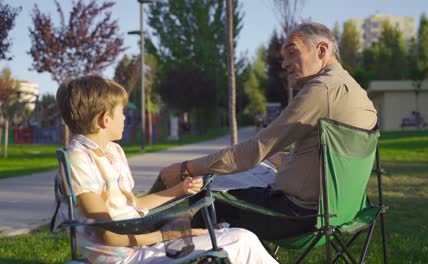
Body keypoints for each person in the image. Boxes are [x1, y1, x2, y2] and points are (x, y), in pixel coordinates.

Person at [158, 22, 378, 240]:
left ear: (321, 50)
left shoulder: (321, 89)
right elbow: (326, 162)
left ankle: (146, 234)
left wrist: (186, 167)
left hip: (297, 216)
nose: (284, 64)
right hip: (340, 214)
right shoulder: (359, 94)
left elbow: (253, 151)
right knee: (251, 172)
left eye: (292, 53)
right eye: (284, 57)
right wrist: (278, 157)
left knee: (200, 195)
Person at [55, 75, 278, 264]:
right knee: (241, 240)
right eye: (121, 111)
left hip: (138, 241)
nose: (125, 117)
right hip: (122, 256)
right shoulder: (78, 159)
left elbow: (136, 205)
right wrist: (172, 235)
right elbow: (107, 233)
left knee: (239, 238)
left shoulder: (113, 152)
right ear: (105, 119)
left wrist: (181, 190)